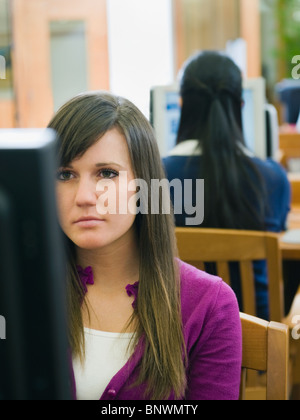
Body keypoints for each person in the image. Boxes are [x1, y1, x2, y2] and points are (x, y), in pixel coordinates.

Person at [48, 91, 242, 401]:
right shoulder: (21, 291)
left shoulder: (209, 305)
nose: (84, 196)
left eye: (106, 173)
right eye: (65, 174)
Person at [163, 51, 291, 321]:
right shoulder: (272, 179)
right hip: (255, 345)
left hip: (178, 336)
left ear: (183, 103)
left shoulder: (152, 177)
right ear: (241, 105)